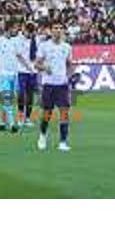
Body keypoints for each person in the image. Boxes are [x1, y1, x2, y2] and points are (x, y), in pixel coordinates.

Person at [35, 22, 73, 153]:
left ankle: (63, 142)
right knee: (47, 113)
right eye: (55, 28)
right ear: (50, 31)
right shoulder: (44, 46)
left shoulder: (67, 47)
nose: (58, 30)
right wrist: (45, 67)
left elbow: (69, 64)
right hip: (48, 85)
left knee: (64, 113)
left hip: (62, 85)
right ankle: (42, 136)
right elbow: (37, 64)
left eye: (60, 28)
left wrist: (69, 77)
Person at [0, 20, 20, 132]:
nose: (17, 30)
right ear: (9, 28)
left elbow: (18, 55)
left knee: (9, 98)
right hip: (2, 73)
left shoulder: (16, 41)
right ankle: (12, 123)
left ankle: (2, 122)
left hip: (13, 73)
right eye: (15, 28)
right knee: (7, 97)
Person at [15, 21, 39, 127]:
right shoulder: (18, 39)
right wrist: (28, 67)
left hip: (33, 71)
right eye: (29, 32)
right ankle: (20, 116)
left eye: (32, 32)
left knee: (30, 95)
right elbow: (19, 56)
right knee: (21, 94)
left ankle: (28, 117)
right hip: (21, 71)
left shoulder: (35, 40)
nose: (30, 34)